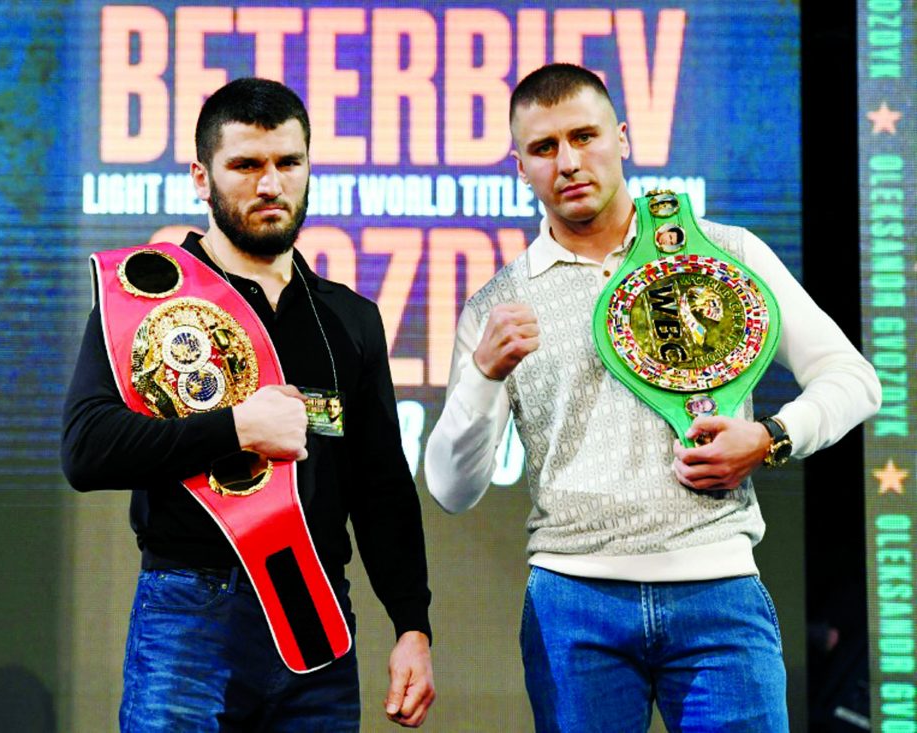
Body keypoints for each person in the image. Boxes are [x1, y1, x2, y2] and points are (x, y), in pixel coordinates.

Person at [424, 63, 880, 732]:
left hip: (717, 587)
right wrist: (481, 374)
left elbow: (852, 378)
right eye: (544, 148)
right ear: (518, 166)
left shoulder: (722, 251)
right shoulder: (499, 304)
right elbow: (450, 488)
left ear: (623, 137)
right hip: (571, 600)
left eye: (585, 136)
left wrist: (770, 437)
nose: (569, 161)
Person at [62, 78, 434, 731]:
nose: (270, 184)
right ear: (200, 178)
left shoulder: (347, 318)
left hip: (313, 614)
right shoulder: (146, 298)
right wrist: (237, 426)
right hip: (189, 610)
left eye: (288, 163)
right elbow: (87, 448)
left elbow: (381, 489)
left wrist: (412, 625)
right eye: (246, 165)